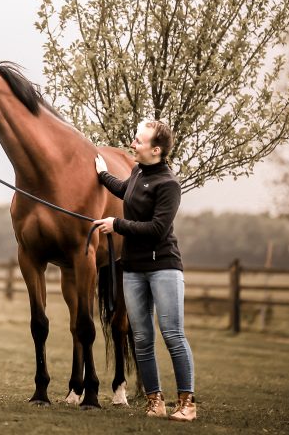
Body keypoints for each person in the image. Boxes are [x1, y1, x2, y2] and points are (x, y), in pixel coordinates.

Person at [92, 119, 196, 422]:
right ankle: (155, 401)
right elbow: (124, 190)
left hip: (163, 267)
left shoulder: (168, 184)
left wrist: (116, 224)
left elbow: (157, 228)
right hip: (133, 269)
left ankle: (187, 403)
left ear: (157, 149)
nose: (133, 144)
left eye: (139, 141)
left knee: (173, 335)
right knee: (141, 338)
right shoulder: (138, 172)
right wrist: (101, 174)